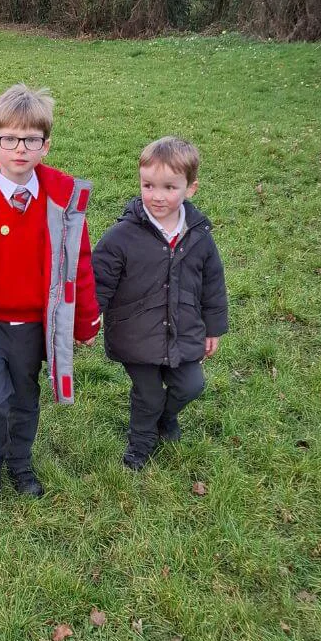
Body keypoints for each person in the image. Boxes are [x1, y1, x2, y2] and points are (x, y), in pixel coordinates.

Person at [0, 84, 100, 499]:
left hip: (32, 326)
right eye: (10, 139)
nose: (20, 149)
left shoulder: (63, 207)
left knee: (25, 398)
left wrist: (86, 322)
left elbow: (78, 268)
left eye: (31, 140)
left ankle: (21, 462)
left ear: (46, 146)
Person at [92, 136, 228, 470]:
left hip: (182, 331)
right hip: (135, 334)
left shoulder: (198, 236)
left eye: (169, 187)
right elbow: (98, 282)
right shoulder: (121, 236)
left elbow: (213, 283)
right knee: (148, 394)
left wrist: (213, 328)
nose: (157, 196)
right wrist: (87, 318)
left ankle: (166, 418)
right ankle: (140, 445)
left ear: (190, 188)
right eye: (148, 185)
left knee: (192, 385)